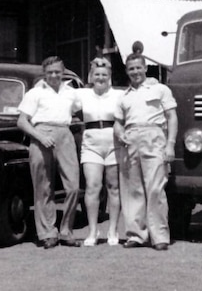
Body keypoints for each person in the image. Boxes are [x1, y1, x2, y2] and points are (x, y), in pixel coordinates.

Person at [114, 42, 178, 251]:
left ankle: (159, 236)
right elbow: (118, 122)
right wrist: (121, 133)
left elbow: (172, 117)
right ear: (127, 71)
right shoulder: (123, 96)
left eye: (138, 68)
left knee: (155, 188)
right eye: (131, 69)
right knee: (132, 189)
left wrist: (170, 145)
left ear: (145, 68)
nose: (135, 72)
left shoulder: (160, 89)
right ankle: (136, 235)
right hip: (131, 139)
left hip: (154, 136)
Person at [17, 56, 81, 249]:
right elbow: (21, 121)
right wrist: (40, 136)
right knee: (43, 187)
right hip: (41, 134)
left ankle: (66, 232)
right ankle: (47, 233)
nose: (54, 75)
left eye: (58, 72)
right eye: (50, 72)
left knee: (73, 186)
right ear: (44, 73)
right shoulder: (35, 93)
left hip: (64, 135)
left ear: (63, 73)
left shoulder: (71, 92)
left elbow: (89, 103)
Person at [76, 57, 124, 247]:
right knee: (92, 186)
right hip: (91, 143)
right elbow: (61, 94)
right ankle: (93, 230)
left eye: (104, 74)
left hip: (114, 142)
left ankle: (113, 229)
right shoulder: (82, 94)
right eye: (97, 74)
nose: (100, 78)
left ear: (110, 76)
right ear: (91, 76)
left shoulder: (119, 95)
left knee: (113, 186)